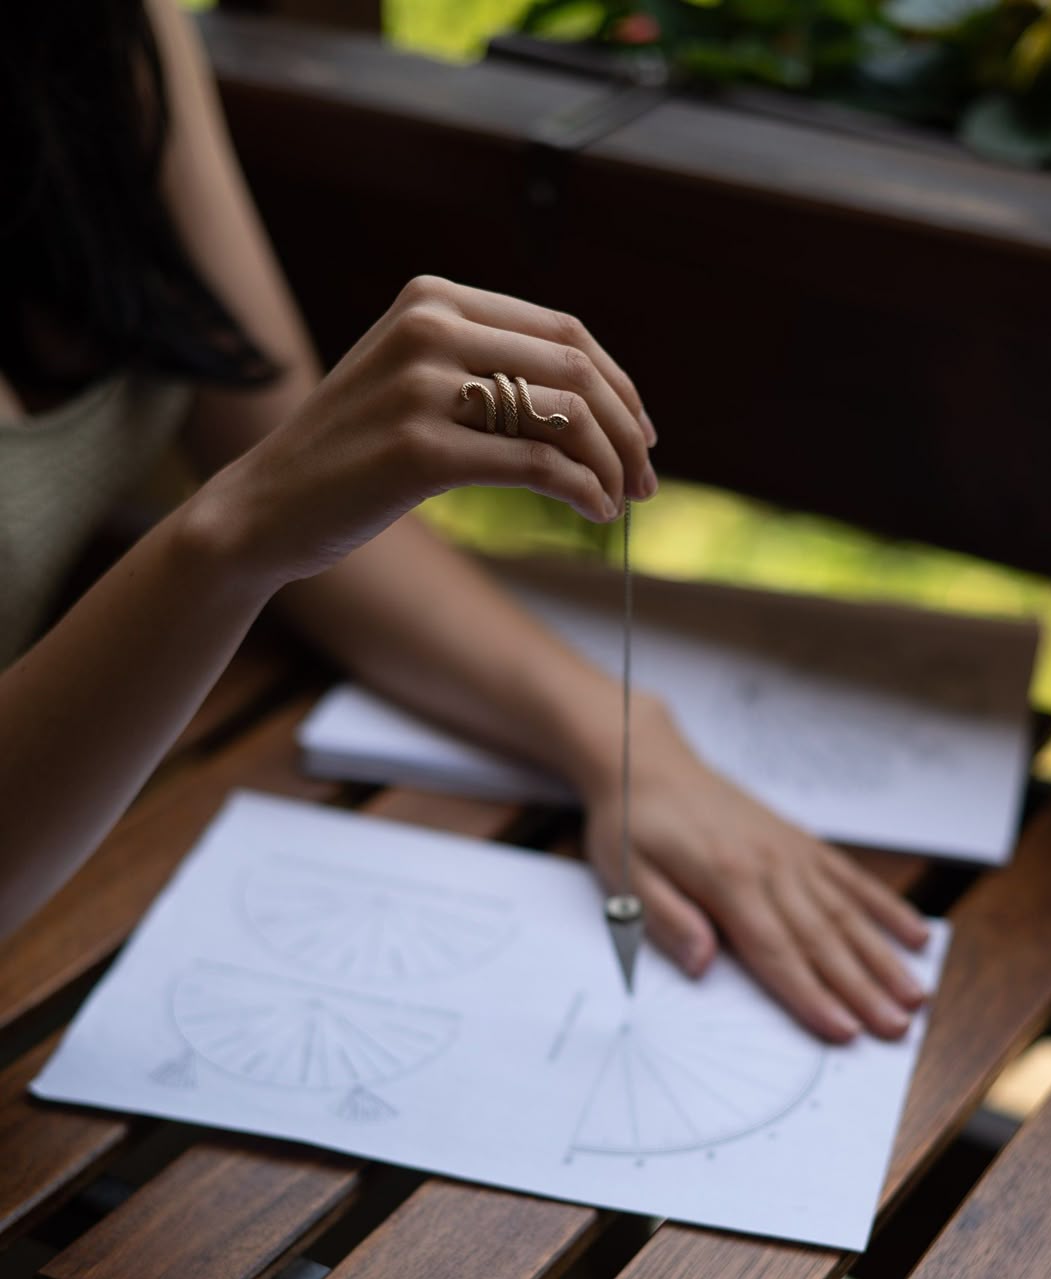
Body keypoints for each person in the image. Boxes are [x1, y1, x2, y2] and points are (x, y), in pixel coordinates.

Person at [0, 0, 927, 1042]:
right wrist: (226, 541)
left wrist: (626, 746)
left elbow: (305, 497)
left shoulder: (102, 29)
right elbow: (264, 507)